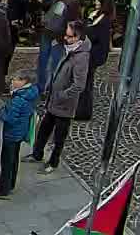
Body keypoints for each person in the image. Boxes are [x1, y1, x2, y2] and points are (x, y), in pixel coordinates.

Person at [31, 20, 89, 174]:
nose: (65, 38)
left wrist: (63, 95)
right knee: (44, 129)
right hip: (54, 99)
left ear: (78, 37)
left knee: (59, 137)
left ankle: (53, 163)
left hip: (64, 105)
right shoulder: (69, 50)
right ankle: (37, 154)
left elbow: (79, 85)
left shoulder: (81, 57)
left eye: (69, 36)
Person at [0, 73, 41, 198]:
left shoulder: (18, 99)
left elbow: (10, 117)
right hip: (19, 132)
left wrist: (2, 112)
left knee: (6, 161)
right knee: (13, 160)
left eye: (16, 79)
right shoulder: (29, 94)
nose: (12, 81)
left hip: (11, 133)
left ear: (23, 81)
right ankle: (10, 183)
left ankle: (3, 189)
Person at [37, 0, 81, 89]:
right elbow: (46, 7)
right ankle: (41, 86)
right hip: (48, 31)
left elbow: (72, 21)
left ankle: (52, 87)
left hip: (59, 35)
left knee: (55, 62)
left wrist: (65, 37)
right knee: (43, 60)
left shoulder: (73, 1)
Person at [74, 0, 114, 122]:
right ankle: (81, 109)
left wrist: (89, 19)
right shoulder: (100, 16)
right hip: (92, 53)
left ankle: (83, 111)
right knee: (86, 82)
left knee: (86, 83)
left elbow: (90, 33)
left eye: (98, 1)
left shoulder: (103, 20)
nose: (95, 2)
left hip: (94, 55)